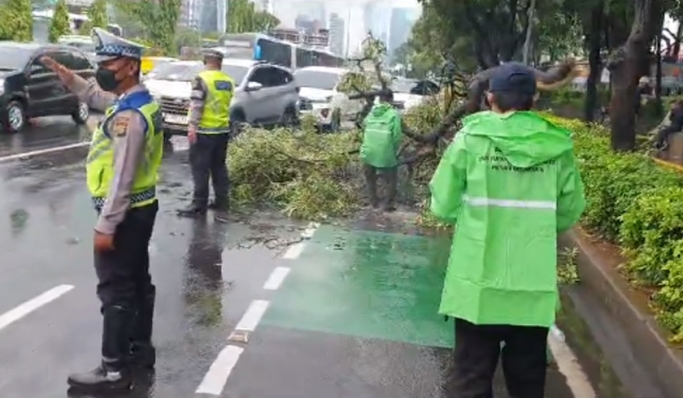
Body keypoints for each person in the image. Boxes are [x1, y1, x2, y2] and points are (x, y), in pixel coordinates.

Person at [429, 63, 586, 398]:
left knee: (470, 381)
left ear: (490, 98)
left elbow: (441, 205)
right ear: (534, 100)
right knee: (527, 384)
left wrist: (472, 217)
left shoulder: (470, 139)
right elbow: (570, 209)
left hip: (477, 289)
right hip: (531, 290)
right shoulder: (557, 147)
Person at [41, 28, 163, 392]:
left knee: (115, 290)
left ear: (130, 66)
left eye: (109, 63)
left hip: (124, 213)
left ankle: (113, 370)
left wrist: (106, 225)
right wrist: (70, 80)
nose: (103, 71)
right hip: (143, 207)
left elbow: (122, 177)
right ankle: (140, 351)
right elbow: (95, 94)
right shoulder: (137, 102)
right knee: (138, 283)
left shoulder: (130, 118)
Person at [178, 49, 234, 219]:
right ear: (220, 63)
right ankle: (221, 200)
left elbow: (197, 104)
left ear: (205, 61)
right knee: (219, 167)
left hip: (204, 131)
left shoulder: (201, 79)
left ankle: (198, 204)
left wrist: (192, 126)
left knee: (200, 168)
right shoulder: (228, 81)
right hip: (222, 130)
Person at [360, 89, 402, 211]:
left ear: (379, 99)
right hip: (385, 151)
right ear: (391, 99)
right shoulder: (394, 114)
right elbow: (397, 136)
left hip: (368, 150)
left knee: (370, 178)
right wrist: (393, 151)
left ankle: (374, 203)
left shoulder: (372, 112)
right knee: (391, 180)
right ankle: (388, 205)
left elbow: (364, 124)